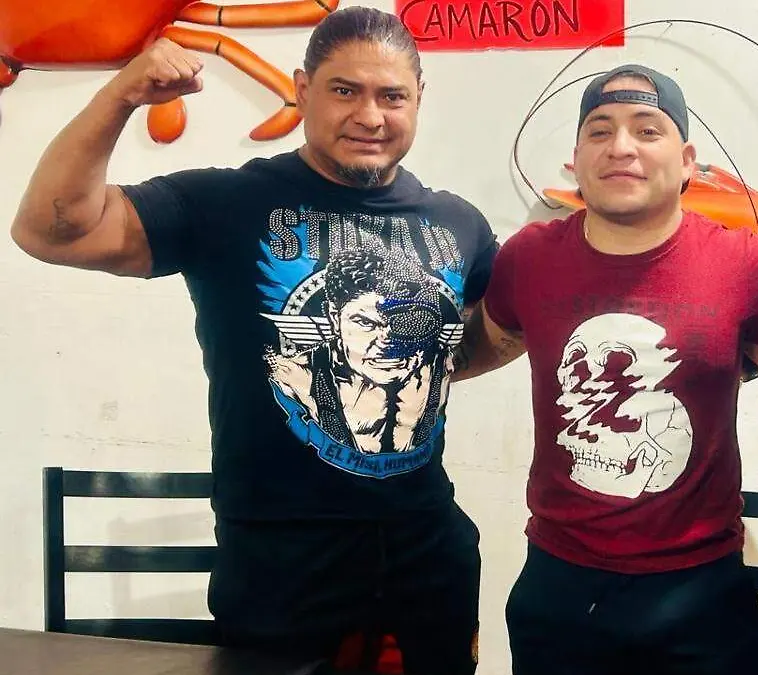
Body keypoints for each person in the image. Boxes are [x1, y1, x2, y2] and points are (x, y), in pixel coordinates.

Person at [10, 7, 495, 674]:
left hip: (429, 554)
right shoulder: (225, 203)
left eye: (392, 96)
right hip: (281, 564)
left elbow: (494, 329)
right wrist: (120, 95)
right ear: (302, 89)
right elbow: (49, 229)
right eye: (344, 90)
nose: (370, 116)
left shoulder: (458, 224)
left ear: (418, 99)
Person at [451, 64, 758, 675]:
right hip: (561, 585)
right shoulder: (530, 257)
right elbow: (476, 350)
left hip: (701, 590)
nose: (621, 147)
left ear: (687, 161)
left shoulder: (745, 264)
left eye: (647, 130)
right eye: (599, 131)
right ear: (576, 160)